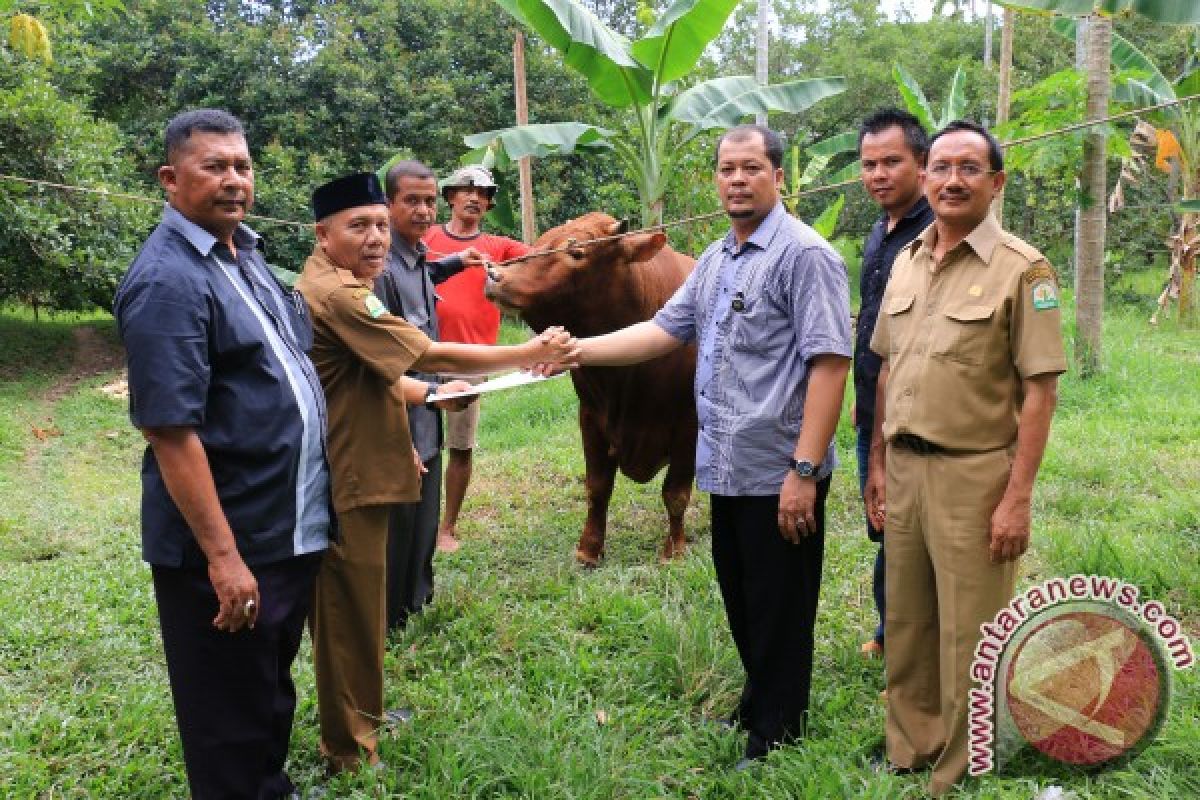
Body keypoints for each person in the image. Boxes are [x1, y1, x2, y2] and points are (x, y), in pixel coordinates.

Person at [571, 124, 851, 766]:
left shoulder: (805, 256)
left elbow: (830, 365)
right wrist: (574, 350)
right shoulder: (718, 261)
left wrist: (805, 470)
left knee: (782, 604)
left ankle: (779, 733)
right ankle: (760, 702)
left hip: (781, 468)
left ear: (778, 177)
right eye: (727, 169)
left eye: (751, 168)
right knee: (743, 594)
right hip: (725, 466)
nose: (737, 180)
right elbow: (660, 331)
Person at [296, 172, 577, 773]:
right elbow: (427, 352)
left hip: (364, 461)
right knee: (347, 618)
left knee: (364, 611)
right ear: (323, 234)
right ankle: (349, 750)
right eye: (359, 226)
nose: (375, 238)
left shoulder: (338, 282)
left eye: (378, 224)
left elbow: (380, 375)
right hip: (349, 472)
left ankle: (363, 722)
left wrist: (427, 398)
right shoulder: (344, 295)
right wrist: (529, 352)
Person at [114, 109, 329, 799]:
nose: (234, 180)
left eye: (242, 165)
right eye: (215, 167)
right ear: (171, 179)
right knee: (226, 716)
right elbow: (170, 431)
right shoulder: (169, 280)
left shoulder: (248, 253)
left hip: (282, 526)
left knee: (265, 688)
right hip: (230, 540)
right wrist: (223, 556)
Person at [865, 120, 1065, 795]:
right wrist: (875, 465)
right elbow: (888, 370)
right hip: (904, 467)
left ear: (995, 182)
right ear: (926, 178)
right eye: (942, 167)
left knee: (971, 629)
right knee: (909, 620)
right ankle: (910, 746)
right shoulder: (906, 259)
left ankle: (964, 763)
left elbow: (1040, 392)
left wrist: (1017, 497)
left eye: (970, 168)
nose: (953, 180)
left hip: (975, 474)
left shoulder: (1024, 269)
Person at [375, 160, 483, 631]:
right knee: (399, 522)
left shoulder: (417, 257)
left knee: (424, 515)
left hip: (430, 409)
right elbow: (382, 364)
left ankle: (417, 600)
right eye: (410, 201)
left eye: (428, 201)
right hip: (403, 410)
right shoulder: (379, 268)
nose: (422, 210)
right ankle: (392, 614)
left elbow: (428, 275)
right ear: (389, 204)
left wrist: (458, 261)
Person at [853, 109, 934, 660]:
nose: (878, 174)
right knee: (886, 530)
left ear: (922, 165)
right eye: (868, 164)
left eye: (891, 161)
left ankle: (912, 645)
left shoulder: (937, 230)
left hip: (917, 412)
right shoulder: (879, 233)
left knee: (912, 538)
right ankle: (890, 632)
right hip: (871, 405)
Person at [423, 165, 531, 553]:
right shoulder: (426, 237)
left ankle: (447, 527)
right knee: (418, 445)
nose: (474, 198)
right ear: (450, 196)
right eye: (467, 190)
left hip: (470, 363)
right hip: (419, 355)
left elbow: (543, 259)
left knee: (460, 446)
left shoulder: (500, 247)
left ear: (488, 204)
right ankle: (417, 523)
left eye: (483, 193)